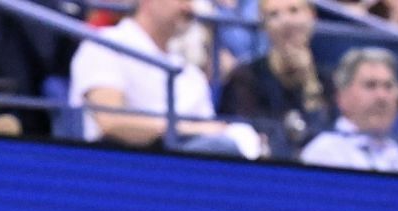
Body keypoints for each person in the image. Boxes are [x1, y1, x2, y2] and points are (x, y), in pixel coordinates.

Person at [70, 0, 259, 154]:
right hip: (120, 166)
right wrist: (187, 129)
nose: (190, 7)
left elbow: (210, 132)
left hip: (188, 169)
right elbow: (111, 122)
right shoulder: (105, 45)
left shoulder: (190, 73)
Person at [217, 0, 333, 152]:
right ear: (263, 25)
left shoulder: (328, 79)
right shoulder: (245, 77)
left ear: (312, 16)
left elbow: (330, 134)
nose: (286, 21)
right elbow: (245, 133)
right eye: (274, 14)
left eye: (294, 10)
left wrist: (309, 81)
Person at [300, 48, 398, 171]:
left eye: (388, 86)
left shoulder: (397, 156)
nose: (382, 97)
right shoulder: (323, 154)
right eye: (370, 85)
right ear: (342, 96)